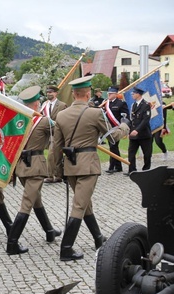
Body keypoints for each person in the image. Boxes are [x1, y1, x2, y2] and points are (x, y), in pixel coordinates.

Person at [51, 76, 130, 261]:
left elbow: (55, 148)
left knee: (85, 204)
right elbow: (111, 137)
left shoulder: (60, 116)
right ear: (88, 94)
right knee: (79, 205)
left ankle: (98, 238)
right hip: (88, 166)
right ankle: (66, 248)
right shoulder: (94, 113)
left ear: (73, 94)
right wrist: (125, 126)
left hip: (70, 166)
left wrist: (55, 171)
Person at [5, 86, 61, 255]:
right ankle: (12, 243)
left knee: (36, 199)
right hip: (35, 166)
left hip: (21, 166)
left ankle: (49, 231)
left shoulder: (17, 120)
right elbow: (59, 131)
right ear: (37, 103)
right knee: (27, 203)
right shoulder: (43, 121)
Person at [42, 85, 67, 184]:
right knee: (53, 154)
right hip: (46, 134)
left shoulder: (62, 105)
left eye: (51, 92)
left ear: (56, 93)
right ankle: (57, 174)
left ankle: (52, 175)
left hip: (57, 134)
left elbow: (65, 120)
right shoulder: (44, 105)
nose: (49, 94)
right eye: (48, 92)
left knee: (52, 155)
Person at [125, 87, 152, 175]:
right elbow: (132, 119)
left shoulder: (146, 105)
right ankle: (132, 170)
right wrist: (129, 131)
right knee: (131, 153)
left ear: (138, 94)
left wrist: (137, 130)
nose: (132, 95)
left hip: (144, 134)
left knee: (147, 154)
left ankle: (146, 170)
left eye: (134, 93)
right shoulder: (133, 105)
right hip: (133, 134)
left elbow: (145, 120)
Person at [104, 86, 129, 173]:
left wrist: (121, 127)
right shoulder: (106, 103)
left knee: (113, 146)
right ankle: (118, 167)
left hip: (117, 128)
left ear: (115, 94)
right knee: (113, 147)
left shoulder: (121, 103)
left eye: (111, 94)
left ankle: (112, 167)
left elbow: (125, 116)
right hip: (108, 129)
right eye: (108, 93)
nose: (109, 95)